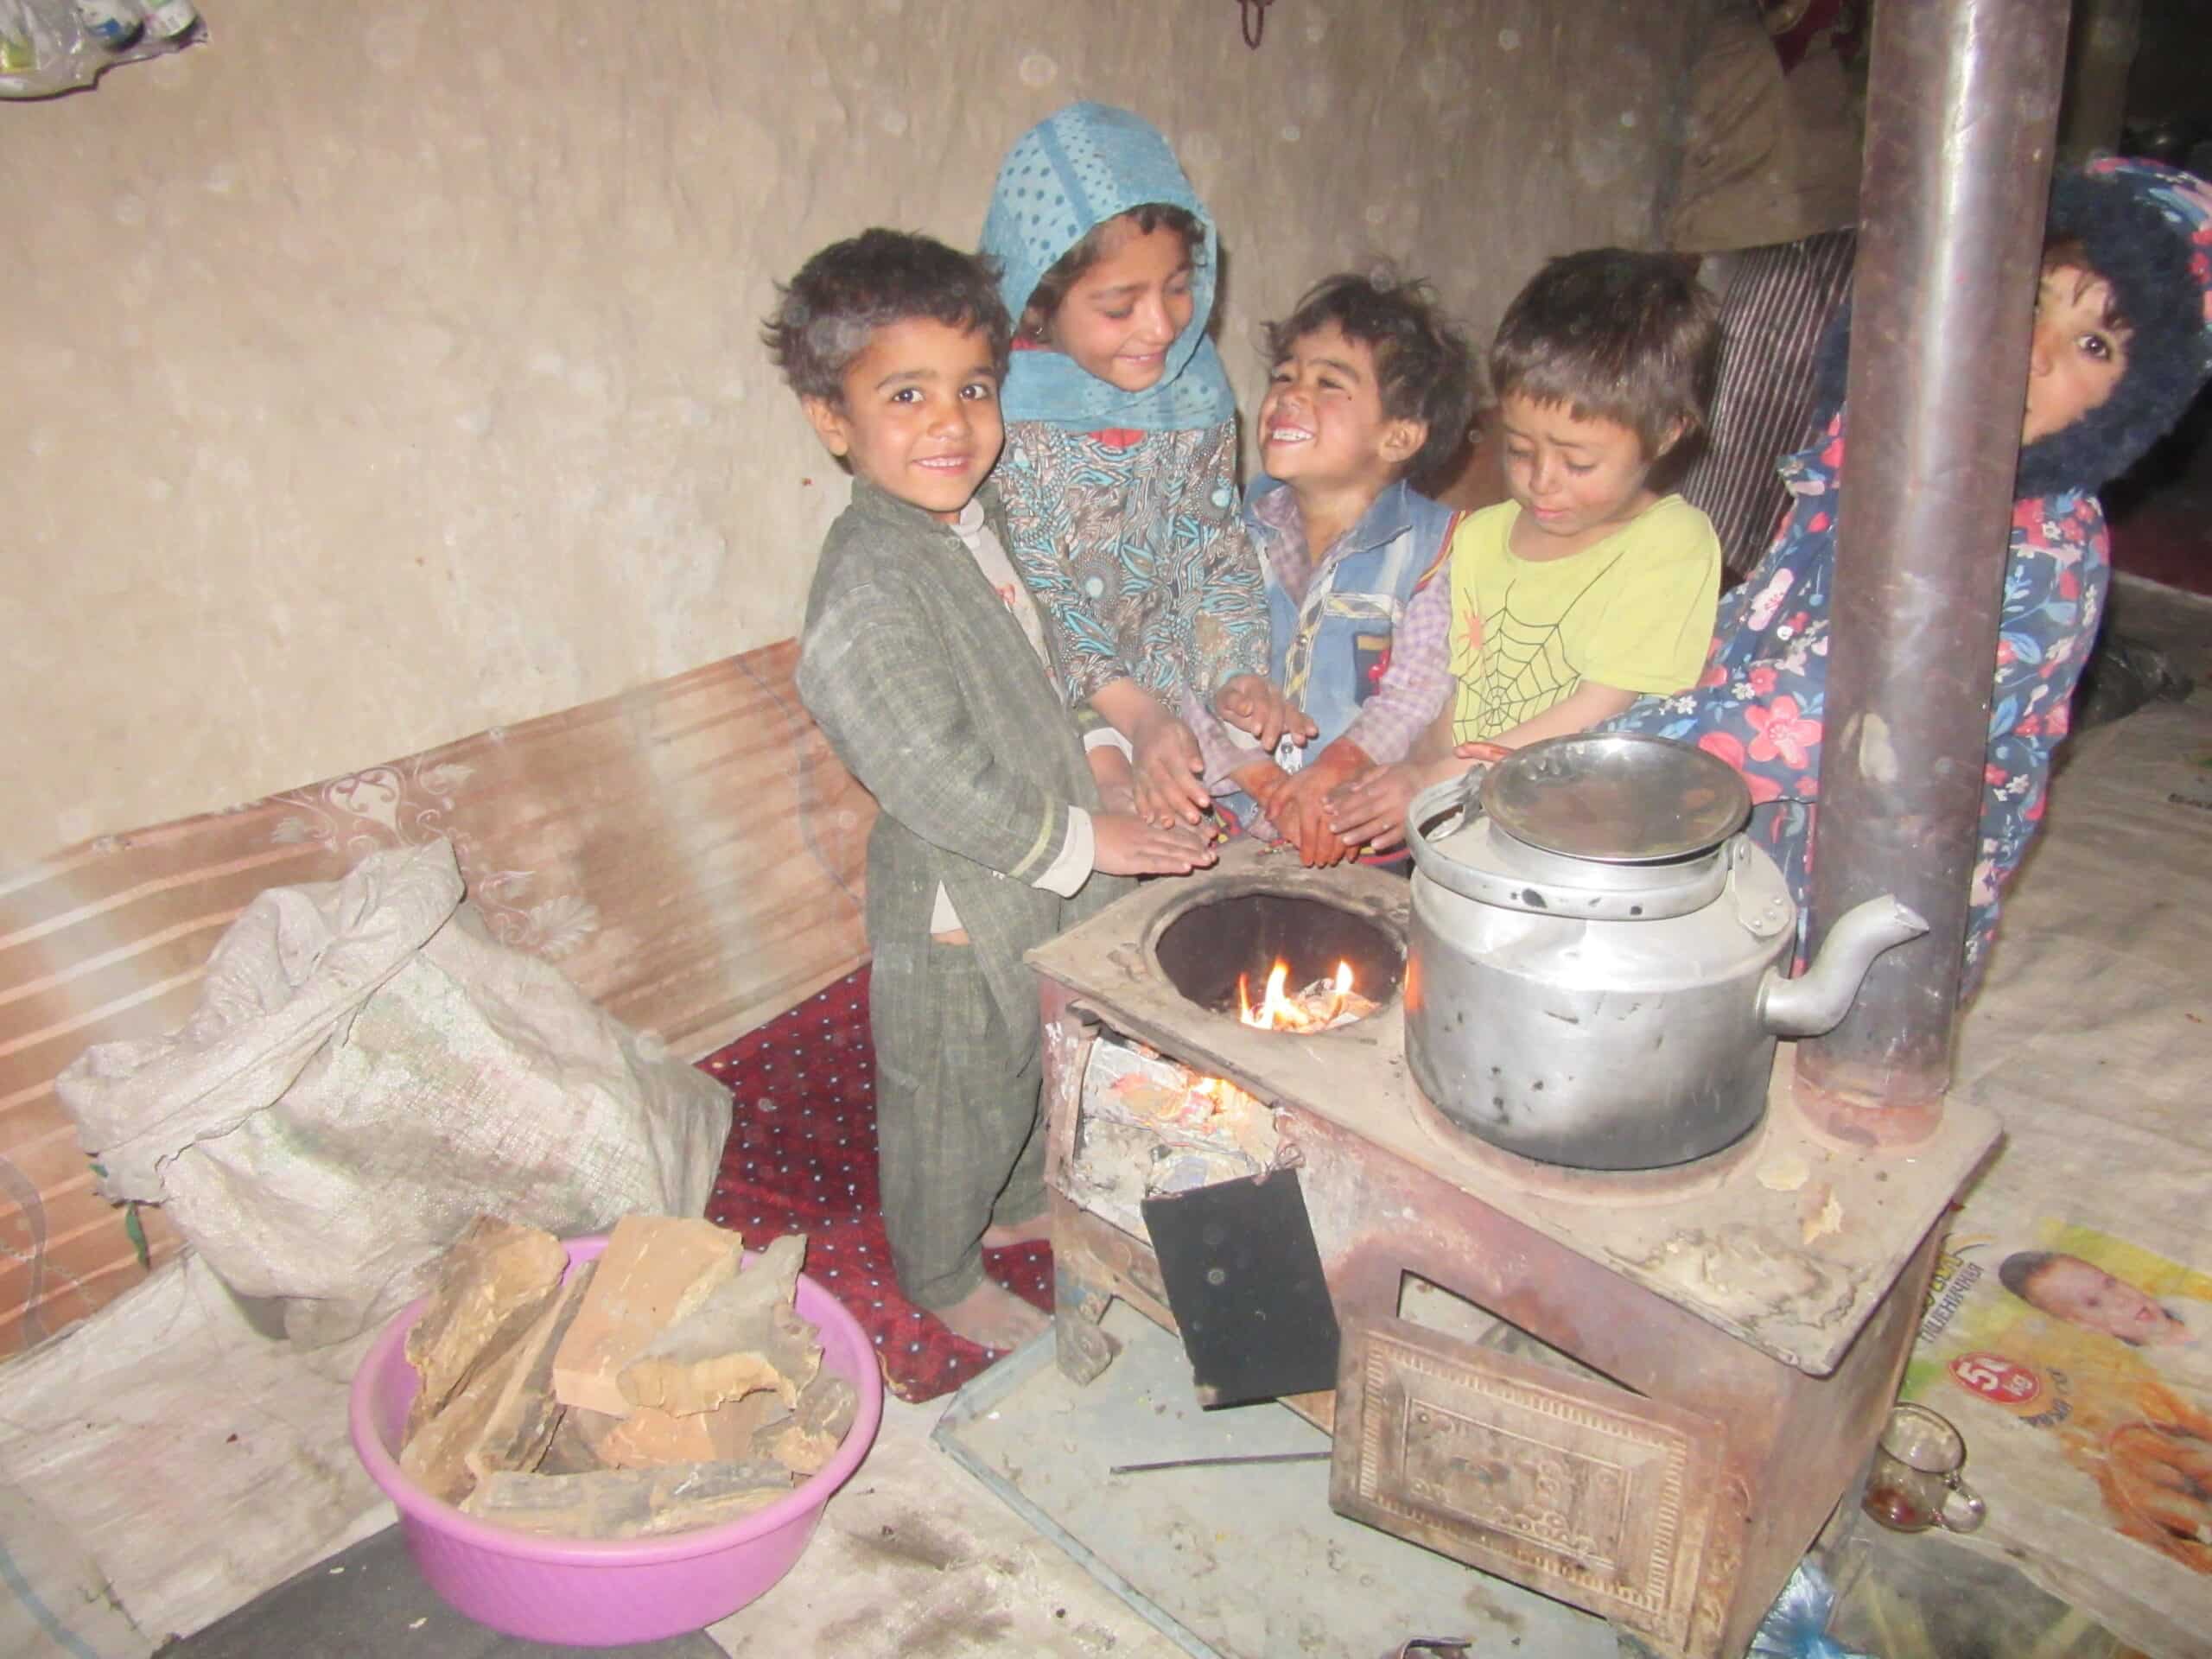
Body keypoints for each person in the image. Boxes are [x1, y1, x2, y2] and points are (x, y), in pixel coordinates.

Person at [767, 230, 1216, 1351]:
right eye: (906, 394)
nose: (952, 424)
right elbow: (929, 773)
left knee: (1031, 1059)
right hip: (957, 900)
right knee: (954, 1092)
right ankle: (937, 1264)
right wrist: (1090, 843)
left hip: (1040, 865)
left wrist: (1108, 762)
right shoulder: (866, 584)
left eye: (973, 388)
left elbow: (1047, 666)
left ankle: (1018, 1204)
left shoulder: (981, 520)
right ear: (836, 421)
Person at [1607, 159, 2212, 984]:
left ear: (2133, 404)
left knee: (1844, 1045)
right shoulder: (1877, 447)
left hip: (1878, 880)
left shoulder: (2039, 556)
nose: (2032, 353)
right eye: (2031, 299)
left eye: (2092, 345)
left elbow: (1853, 714)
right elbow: (1775, 604)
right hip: (1746, 823)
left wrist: (1628, 751)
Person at [1325, 250, 1725, 852]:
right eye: (1518, 449)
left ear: (1667, 432)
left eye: (1578, 461)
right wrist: (1405, 778)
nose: (1543, 479)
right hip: (1466, 825)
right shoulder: (1482, 536)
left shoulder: (1672, 546)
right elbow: (1455, 696)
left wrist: (1440, 780)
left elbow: (1600, 705)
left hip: (1582, 838)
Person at [981, 103, 1294, 833]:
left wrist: (1233, 675)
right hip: (1050, 709)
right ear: (1037, 304)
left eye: (1179, 287)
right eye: (1120, 306)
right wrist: (1134, 716)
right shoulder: (997, 410)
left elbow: (1212, 546)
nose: (1162, 327)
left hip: (1168, 701)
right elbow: (1035, 585)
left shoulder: (1194, 384)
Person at [1186, 272, 1479, 866]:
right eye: (1285, 375)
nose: (1290, 395)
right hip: (1231, 831)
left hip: (1358, 838)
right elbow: (1185, 671)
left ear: (1398, 436)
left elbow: (1414, 695)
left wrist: (1332, 776)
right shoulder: (1228, 532)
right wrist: (1266, 785)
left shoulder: (1436, 551)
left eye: (1328, 383)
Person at [2000, 1250, 2203, 1352]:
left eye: (2110, 1283)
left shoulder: (2187, 1302)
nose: (2121, 1300)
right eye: (2093, 1303)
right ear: (2085, 1324)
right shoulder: (2163, 1374)